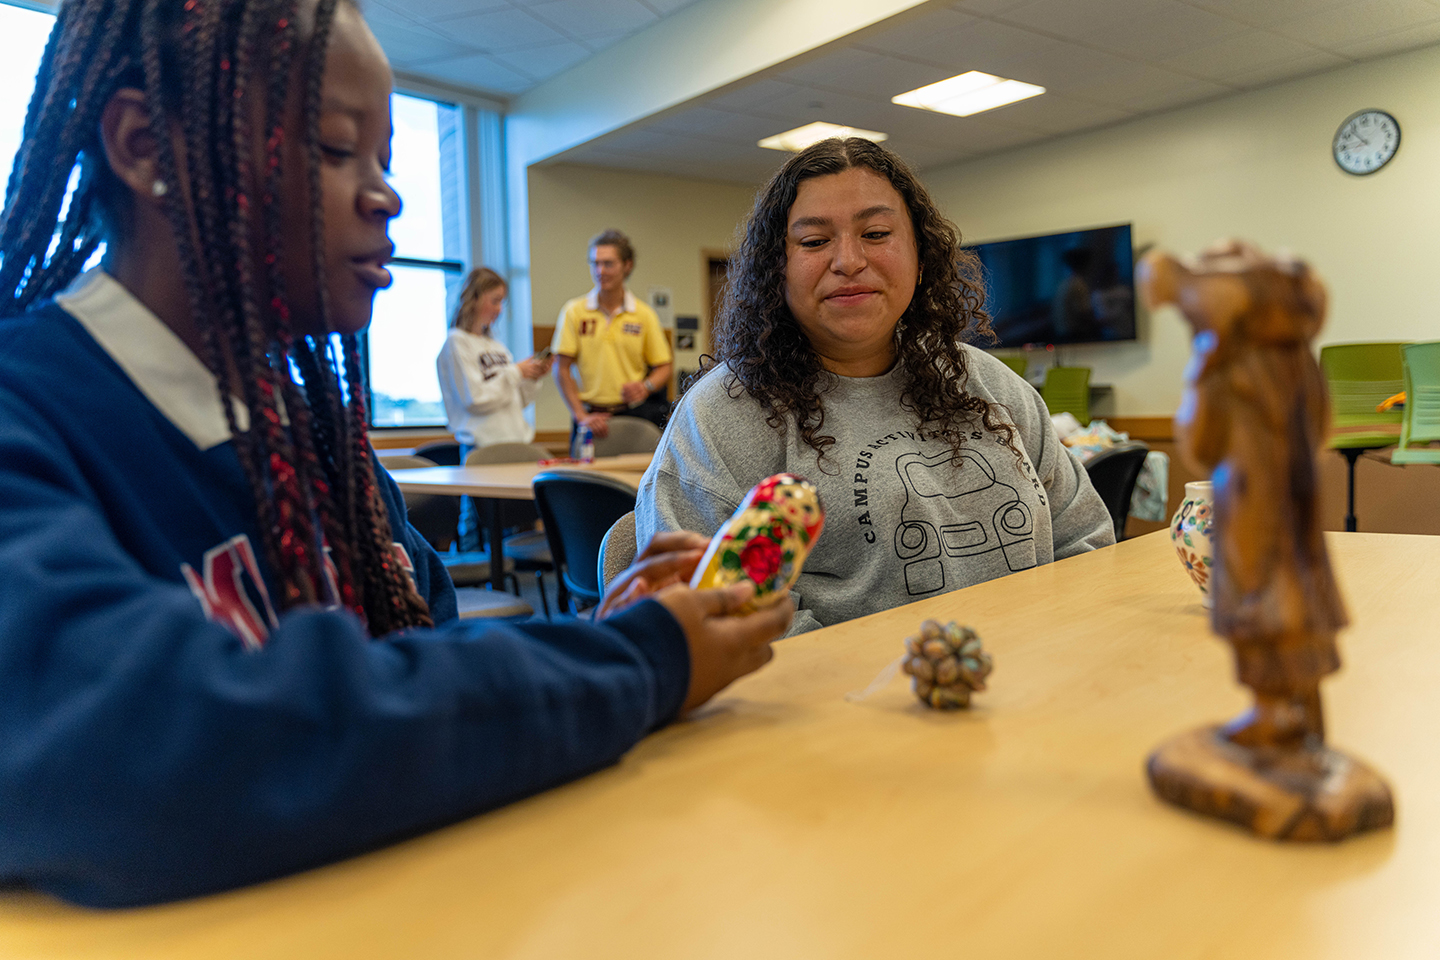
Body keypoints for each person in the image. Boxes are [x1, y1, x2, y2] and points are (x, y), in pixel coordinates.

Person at [0, 0, 790, 908]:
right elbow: (117, 756)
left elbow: (426, 666)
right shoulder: (28, 414)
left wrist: (594, 641)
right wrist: (635, 663)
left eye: (385, 159)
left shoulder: (320, 447)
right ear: (145, 145)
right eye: (336, 151)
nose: (387, 196)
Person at [635, 138, 1114, 636]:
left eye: (877, 233)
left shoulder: (991, 385)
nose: (848, 260)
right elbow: (718, 624)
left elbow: (1086, 540)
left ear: (921, 257)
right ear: (777, 270)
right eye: (814, 241)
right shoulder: (722, 417)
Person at [552, 229, 673, 438]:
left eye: (608, 264)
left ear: (627, 266)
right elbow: (561, 368)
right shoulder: (574, 311)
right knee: (583, 472)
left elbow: (664, 366)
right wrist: (581, 416)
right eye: (595, 263)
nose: (600, 271)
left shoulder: (644, 315)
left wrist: (646, 387)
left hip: (633, 416)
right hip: (589, 417)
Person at [436, 266, 551, 448]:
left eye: (501, 302)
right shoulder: (456, 342)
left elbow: (516, 400)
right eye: (495, 301)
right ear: (474, 299)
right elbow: (474, 399)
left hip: (516, 441)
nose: (499, 310)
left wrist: (531, 376)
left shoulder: (497, 346)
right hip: (482, 445)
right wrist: (516, 372)